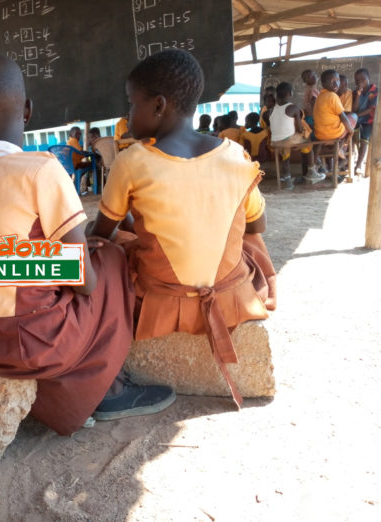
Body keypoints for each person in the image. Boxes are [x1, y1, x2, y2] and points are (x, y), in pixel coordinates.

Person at [0, 53, 176, 436]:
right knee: (113, 258)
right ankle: (110, 387)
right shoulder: (41, 168)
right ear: (28, 111)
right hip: (35, 344)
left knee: (62, 264)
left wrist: (49, 256)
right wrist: (77, 253)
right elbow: (84, 281)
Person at [87, 49, 277, 407]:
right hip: (229, 299)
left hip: (160, 302)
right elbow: (257, 224)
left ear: (159, 106)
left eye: (132, 104)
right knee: (247, 242)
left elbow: (102, 233)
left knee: (104, 250)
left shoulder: (131, 161)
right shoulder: (236, 156)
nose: (128, 115)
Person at [269, 81, 324, 187]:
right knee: (307, 142)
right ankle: (311, 171)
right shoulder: (293, 108)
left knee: (286, 154)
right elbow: (299, 129)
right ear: (290, 93)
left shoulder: (271, 110)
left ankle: (288, 180)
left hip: (275, 142)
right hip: (289, 140)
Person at [313, 69, 356, 175]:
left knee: (345, 123)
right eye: (331, 81)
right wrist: (351, 131)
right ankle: (341, 148)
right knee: (353, 116)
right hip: (334, 134)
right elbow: (344, 118)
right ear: (323, 84)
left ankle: (339, 150)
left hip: (320, 135)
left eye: (337, 80)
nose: (336, 83)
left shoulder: (320, 97)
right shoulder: (333, 96)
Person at [352, 68, 378, 175]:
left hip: (369, 120)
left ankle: (358, 165)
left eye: (362, 78)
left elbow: (371, 108)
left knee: (364, 139)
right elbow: (354, 109)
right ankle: (348, 158)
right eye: (357, 80)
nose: (359, 81)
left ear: (369, 78)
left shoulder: (375, 90)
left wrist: (356, 116)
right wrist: (358, 95)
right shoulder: (355, 92)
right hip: (358, 119)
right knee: (350, 133)